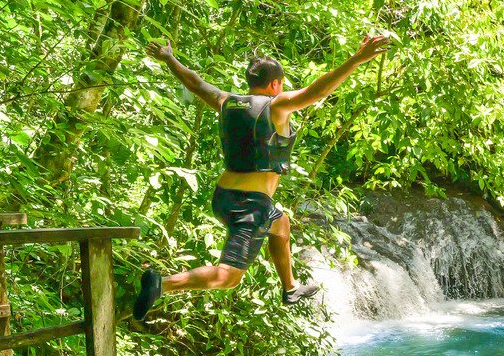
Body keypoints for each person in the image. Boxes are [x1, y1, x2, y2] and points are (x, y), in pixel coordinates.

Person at [133, 34, 390, 321]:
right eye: (282, 84)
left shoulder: (227, 101)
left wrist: (169, 58)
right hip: (249, 205)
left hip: (225, 197)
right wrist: (356, 59)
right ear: (275, 84)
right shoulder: (276, 106)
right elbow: (318, 91)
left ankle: (290, 288)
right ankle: (162, 284)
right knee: (228, 277)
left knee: (281, 221)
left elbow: (194, 82)